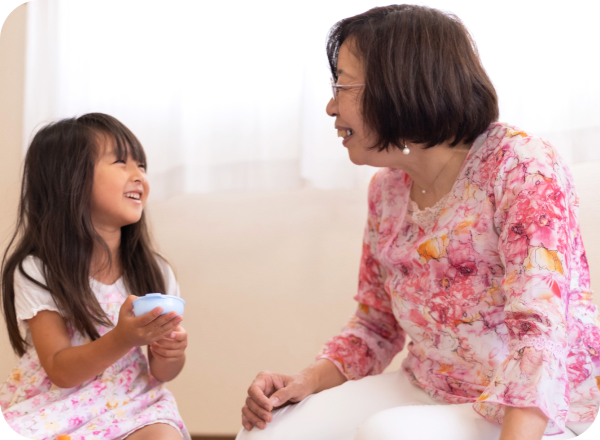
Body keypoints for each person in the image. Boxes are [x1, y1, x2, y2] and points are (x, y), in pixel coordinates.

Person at [238, 5, 600, 440]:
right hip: (428, 385)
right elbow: (376, 323)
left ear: (400, 86)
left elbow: (538, 337)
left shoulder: (521, 166)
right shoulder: (386, 190)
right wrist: (306, 382)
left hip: (534, 404)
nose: (331, 106)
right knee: (270, 431)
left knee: (387, 433)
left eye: (342, 85)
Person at [0, 113, 190, 440]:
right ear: (69, 179)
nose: (139, 176)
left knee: (164, 436)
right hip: (59, 406)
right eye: (121, 162)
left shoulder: (155, 271)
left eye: (141, 166)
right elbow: (60, 369)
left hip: (135, 402)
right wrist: (123, 338)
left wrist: (171, 355)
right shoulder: (38, 270)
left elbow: (161, 373)